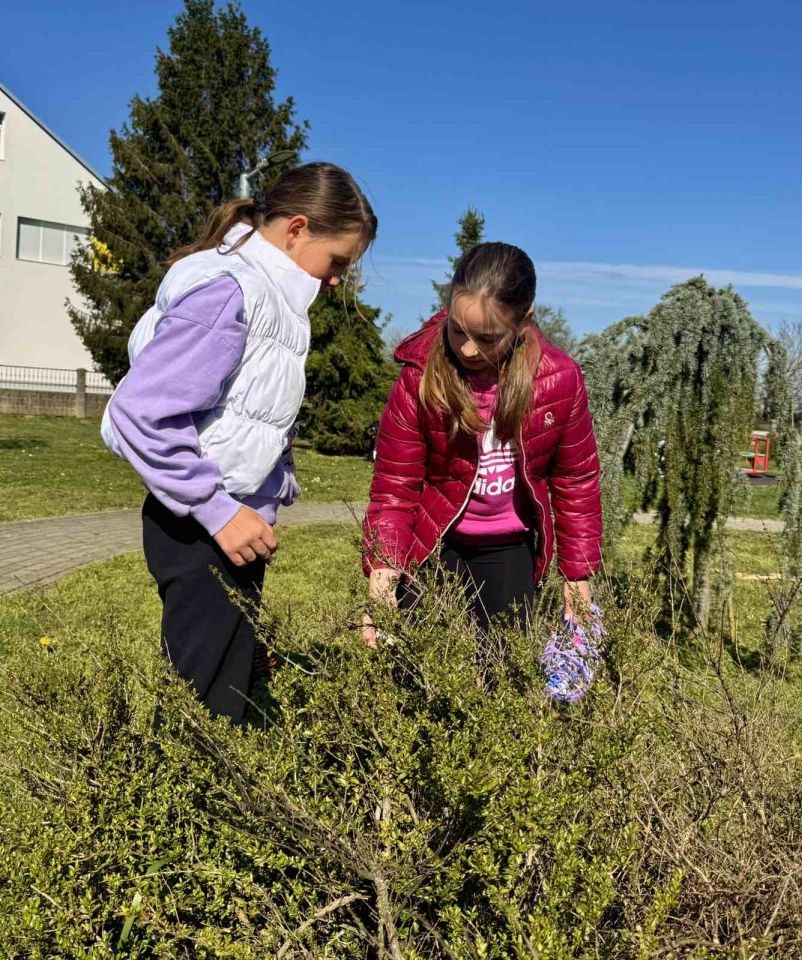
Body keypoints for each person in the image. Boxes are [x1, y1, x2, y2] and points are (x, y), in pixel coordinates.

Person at [101, 162, 377, 723]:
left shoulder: (273, 300)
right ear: (297, 229)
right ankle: (165, 804)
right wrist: (218, 510)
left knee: (233, 687)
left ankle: (210, 799)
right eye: (338, 263)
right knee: (200, 708)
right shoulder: (233, 291)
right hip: (200, 527)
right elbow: (140, 412)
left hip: (227, 524)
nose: (336, 281)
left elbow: (240, 412)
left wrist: (273, 482)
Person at [362, 241, 602, 645]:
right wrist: (384, 576)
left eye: (488, 338)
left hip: (508, 551)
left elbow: (575, 480)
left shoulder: (559, 380)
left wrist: (577, 578)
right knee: (414, 674)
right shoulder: (419, 378)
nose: (468, 349)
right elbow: (394, 487)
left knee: (500, 674)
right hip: (433, 544)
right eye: (458, 331)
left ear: (523, 323)